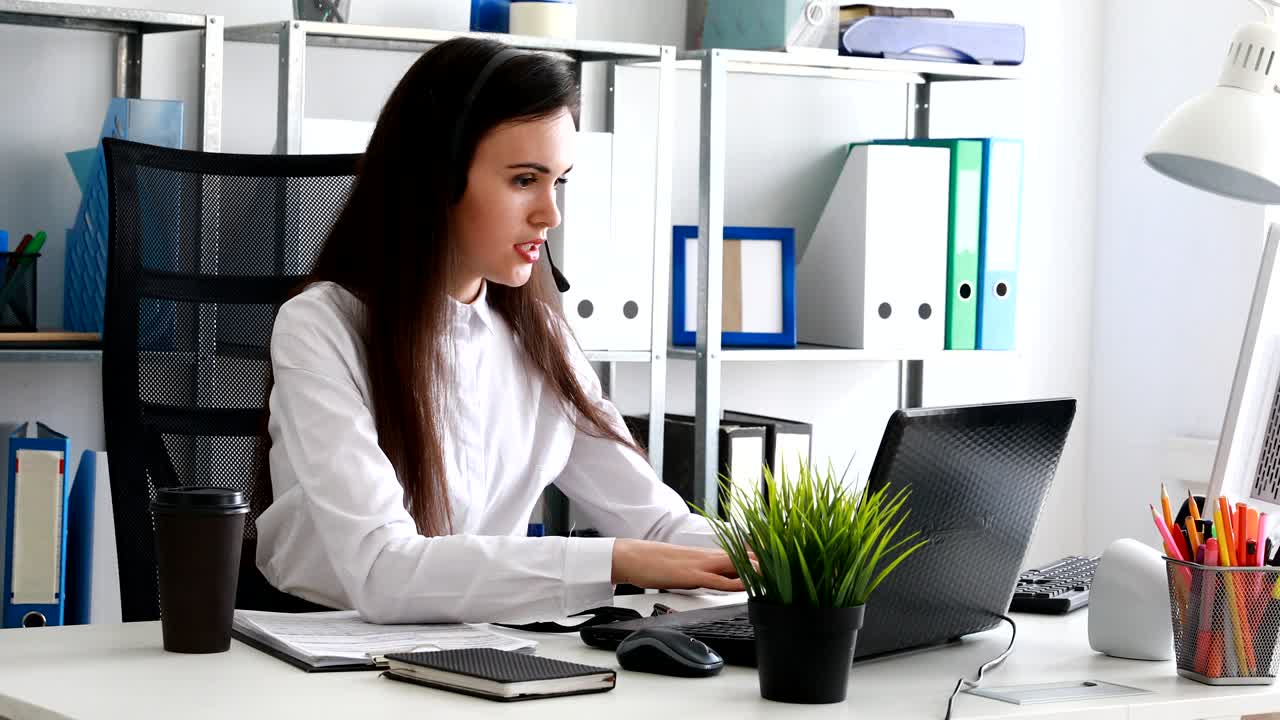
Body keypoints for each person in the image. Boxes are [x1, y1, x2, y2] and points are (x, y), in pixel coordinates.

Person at [256, 37, 743, 625]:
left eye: (558, 181)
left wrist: (787, 560)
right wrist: (616, 562)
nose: (550, 214)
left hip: (481, 650)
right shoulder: (321, 327)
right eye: (523, 180)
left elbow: (658, 523)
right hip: (316, 652)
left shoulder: (539, 335)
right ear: (437, 178)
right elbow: (384, 571)